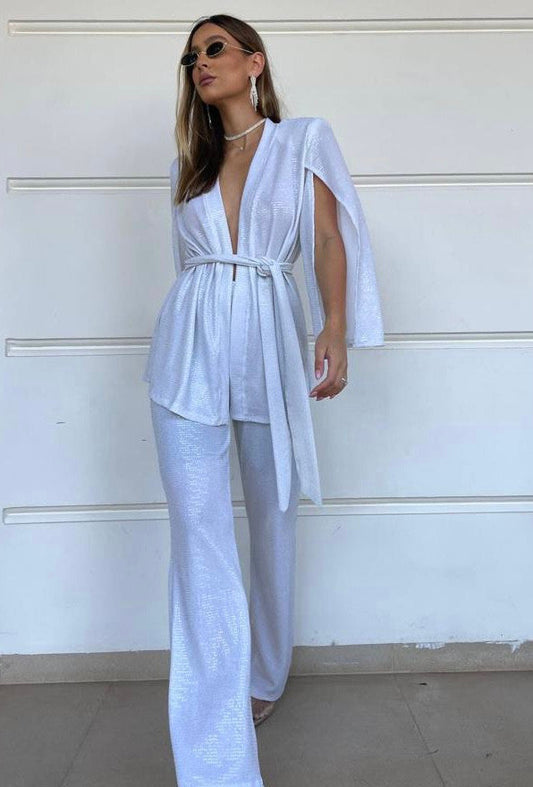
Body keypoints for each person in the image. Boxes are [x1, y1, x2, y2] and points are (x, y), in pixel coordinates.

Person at [143, 13, 385, 786]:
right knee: (199, 533)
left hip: (268, 341)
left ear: (254, 62)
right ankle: (213, 725)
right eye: (191, 56)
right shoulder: (188, 164)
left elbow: (326, 238)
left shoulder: (301, 139)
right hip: (187, 351)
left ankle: (264, 672)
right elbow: (187, 264)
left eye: (214, 48)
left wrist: (334, 326)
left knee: (272, 518)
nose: (200, 62)